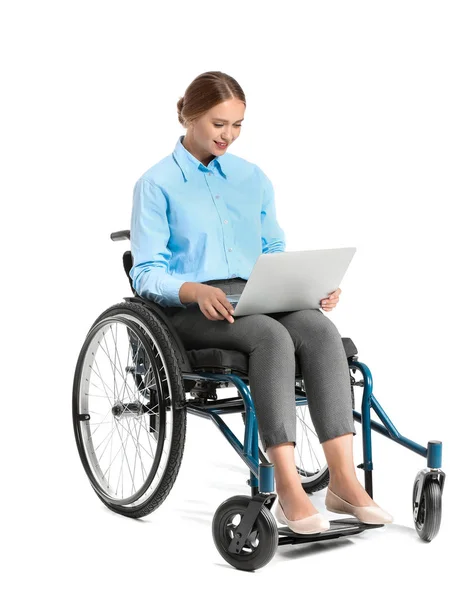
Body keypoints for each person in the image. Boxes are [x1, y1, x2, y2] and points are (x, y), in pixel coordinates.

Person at [129, 71, 393, 534]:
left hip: (256, 293)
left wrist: (306, 288)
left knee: (318, 328)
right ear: (188, 115)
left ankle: (343, 484)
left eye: (237, 125)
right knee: (271, 337)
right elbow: (145, 272)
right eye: (218, 123)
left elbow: (272, 250)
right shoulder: (157, 183)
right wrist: (194, 290)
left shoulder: (251, 178)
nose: (228, 135)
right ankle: (288, 487)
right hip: (191, 308)